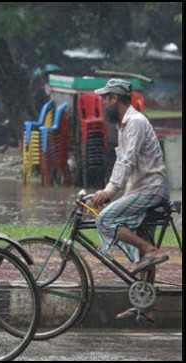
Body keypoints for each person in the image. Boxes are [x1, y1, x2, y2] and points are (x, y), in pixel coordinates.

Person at [91, 78, 170, 323]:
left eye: (105, 98)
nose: (103, 103)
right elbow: (123, 164)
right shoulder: (123, 125)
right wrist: (112, 192)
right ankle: (146, 309)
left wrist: (110, 191)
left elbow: (127, 161)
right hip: (140, 189)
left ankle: (150, 250)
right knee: (138, 238)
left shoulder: (135, 122)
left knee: (105, 220)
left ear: (115, 98)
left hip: (151, 189)